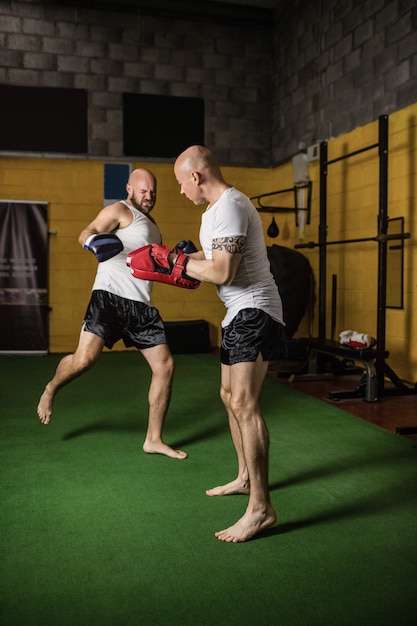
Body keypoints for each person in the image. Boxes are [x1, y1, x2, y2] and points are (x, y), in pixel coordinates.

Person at [173, 145, 286, 542]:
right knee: (228, 396)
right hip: (239, 312)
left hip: (255, 310)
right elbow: (215, 253)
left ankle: (260, 508)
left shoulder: (232, 206)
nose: (181, 192)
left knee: (244, 402)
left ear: (196, 177)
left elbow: (222, 270)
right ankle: (244, 477)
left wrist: (179, 264)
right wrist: (177, 260)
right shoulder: (213, 212)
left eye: (180, 184)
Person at [37, 168, 187, 460]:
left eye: (153, 192)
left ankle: (153, 439)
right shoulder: (119, 209)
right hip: (109, 297)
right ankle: (51, 387)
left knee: (165, 366)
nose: (149, 197)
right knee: (84, 361)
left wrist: (176, 263)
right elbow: (87, 232)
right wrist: (92, 242)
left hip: (142, 305)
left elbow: (151, 267)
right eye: (143, 191)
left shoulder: (153, 226)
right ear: (130, 188)